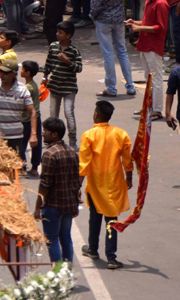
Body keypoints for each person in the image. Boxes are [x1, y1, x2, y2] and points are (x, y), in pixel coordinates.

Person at [79, 100, 132, 270]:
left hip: (95, 184)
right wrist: (129, 177)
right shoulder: (121, 134)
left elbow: (84, 164)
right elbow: (127, 160)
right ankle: (111, 257)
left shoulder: (89, 135)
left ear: (96, 114)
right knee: (111, 220)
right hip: (114, 183)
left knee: (94, 217)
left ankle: (93, 248)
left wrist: (77, 186)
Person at [33, 116, 80, 264]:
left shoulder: (49, 154)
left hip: (53, 206)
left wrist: (37, 208)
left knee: (52, 239)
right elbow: (76, 181)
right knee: (65, 237)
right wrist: (76, 201)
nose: (43, 133)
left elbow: (44, 185)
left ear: (54, 134)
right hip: (68, 205)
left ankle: (58, 275)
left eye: (45, 131)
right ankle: (67, 272)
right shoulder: (72, 152)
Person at [92, 0, 137, 98]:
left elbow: (96, 3)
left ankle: (111, 88)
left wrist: (93, 15)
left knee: (108, 54)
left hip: (104, 19)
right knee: (122, 51)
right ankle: (130, 86)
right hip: (118, 17)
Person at [126, 0, 168, 119]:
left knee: (155, 79)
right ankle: (148, 107)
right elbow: (148, 23)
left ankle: (157, 110)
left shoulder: (161, 3)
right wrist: (135, 23)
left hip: (153, 46)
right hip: (145, 45)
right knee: (148, 78)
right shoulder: (150, 0)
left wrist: (140, 28)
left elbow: (161, 28)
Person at [0, 59, 35, 155]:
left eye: (6, 72)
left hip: (15, 137)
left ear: (14, 74)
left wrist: (33, 134)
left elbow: (32, 112)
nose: (2, 75)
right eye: (1, 71)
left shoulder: (22, 90)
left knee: (16, 166)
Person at [42, 21, 83, 148]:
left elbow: (79, 68)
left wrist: (67, 61)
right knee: (53, 115)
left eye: (60, 33)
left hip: (69, 87)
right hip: (54, 86)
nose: (57, 34)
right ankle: (53, 140)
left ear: (68, 36)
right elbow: (48, 63)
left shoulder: (74, 50)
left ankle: (72, 141)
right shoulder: (53, 46)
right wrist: (45, 76)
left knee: (68, 113)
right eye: (57, 32)